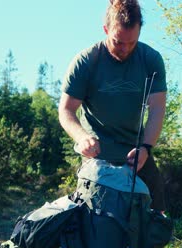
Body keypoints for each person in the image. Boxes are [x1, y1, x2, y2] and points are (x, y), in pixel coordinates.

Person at [58, 0, 167, 212]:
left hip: (137, 153)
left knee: (157, 216)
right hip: (97, 155)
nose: (125, 49)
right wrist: (82, 138)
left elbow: (157, 109)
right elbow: (66, 110)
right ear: (106, 29)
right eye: (118, 42)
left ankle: (141, 246)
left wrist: (145, 148)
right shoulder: (86, 61)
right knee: (96, 218)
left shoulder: (151, 60)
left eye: (132, 43)